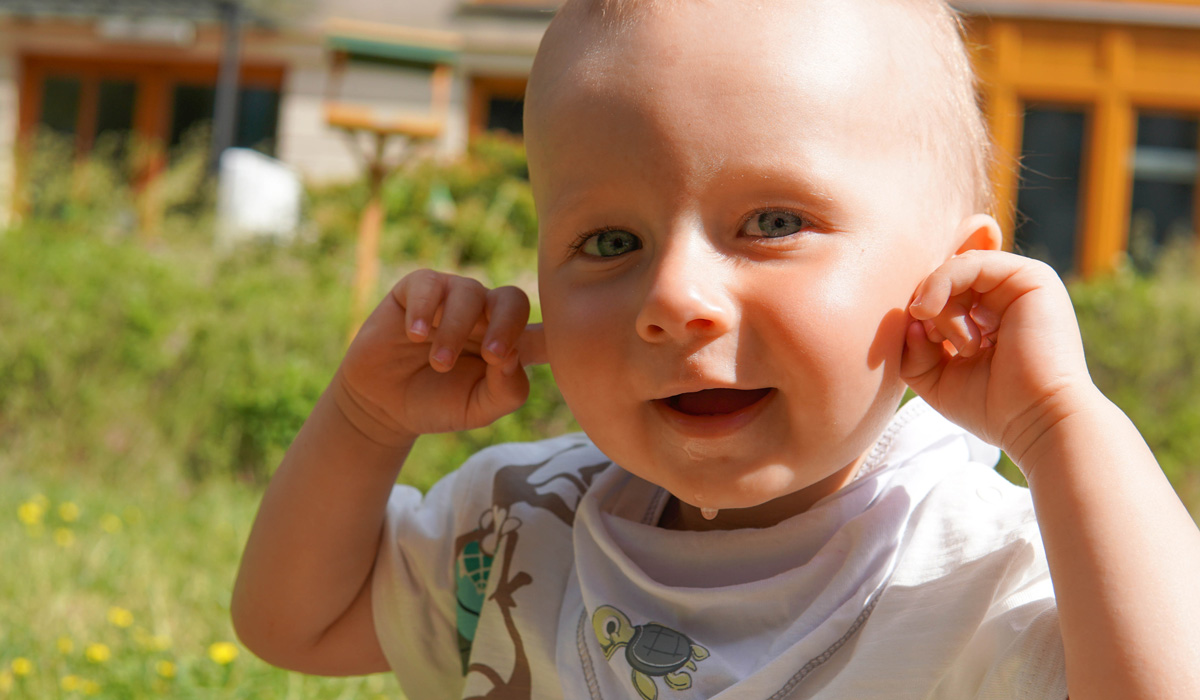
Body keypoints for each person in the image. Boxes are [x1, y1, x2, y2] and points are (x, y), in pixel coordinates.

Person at [231, 0, 1200, 697]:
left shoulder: (988, 570)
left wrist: (1061, 423)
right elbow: (295, 623)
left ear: (952, 283)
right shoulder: (519, 527)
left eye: (772, 221)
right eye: (608, 242)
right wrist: (364, 421)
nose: (672, 299)